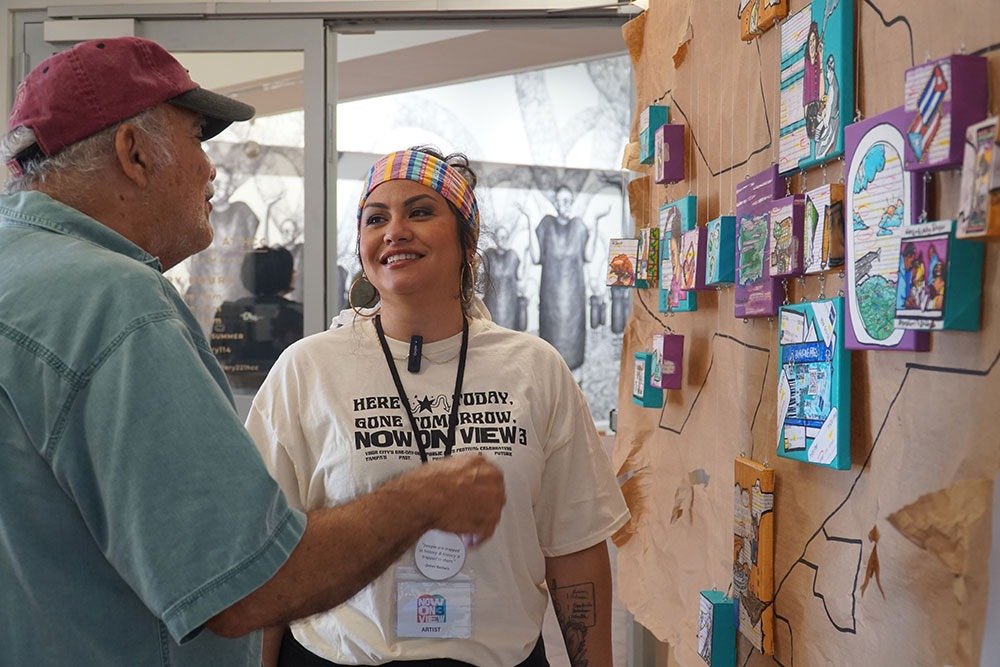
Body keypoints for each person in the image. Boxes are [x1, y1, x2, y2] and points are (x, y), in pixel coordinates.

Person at [0, 37, 505, 666]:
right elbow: (243, 584)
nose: (213, 170)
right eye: (197, 141)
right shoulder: (114, 302)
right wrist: (428, 496)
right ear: (133, 153)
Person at [247, 147, 629, 667]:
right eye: (376, 218)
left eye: (421, 212)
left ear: (467, 241)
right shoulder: (306, 370)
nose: (395, 230)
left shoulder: (535, 369)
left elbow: (574, 545)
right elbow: (265, 556)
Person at [524, 185, 609, 371]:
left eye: (569, 200)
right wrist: (530, 220)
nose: (566, 204)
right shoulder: (546, 224)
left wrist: (594, 223)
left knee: (573, 354)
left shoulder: (578, 225)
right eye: (562, 200)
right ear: (555, 203)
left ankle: (576, 384)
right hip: (551, 299)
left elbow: (588, 255)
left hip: (574, 300)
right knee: (550, 355)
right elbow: (536, 257)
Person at [214, 245, 305, 389]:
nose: (294, 272)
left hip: (236, 389)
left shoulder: (228, 311)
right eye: (290, 269)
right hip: (284, 389)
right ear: (283, 274)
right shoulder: (298, 313)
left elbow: (217, 354)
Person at [481, 224, 521, 328]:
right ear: (495, 239)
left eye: (505, 237)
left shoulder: (513, 256)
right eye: (500, 237)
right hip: (491, 307)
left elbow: (519, 279)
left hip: (510, 307)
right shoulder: (488, 255)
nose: (503, 240)